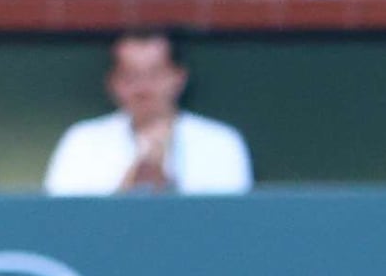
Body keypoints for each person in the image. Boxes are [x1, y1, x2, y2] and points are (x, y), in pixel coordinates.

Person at [47, 26, 258, 191]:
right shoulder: (82, 141)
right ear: (113, 82)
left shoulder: (221, 142)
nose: (142, 88)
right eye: (131, 76)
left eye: (154, 74)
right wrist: (129, 186)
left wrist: (168, 183)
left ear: (179, 78)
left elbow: (232, 222)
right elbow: (63, 221)